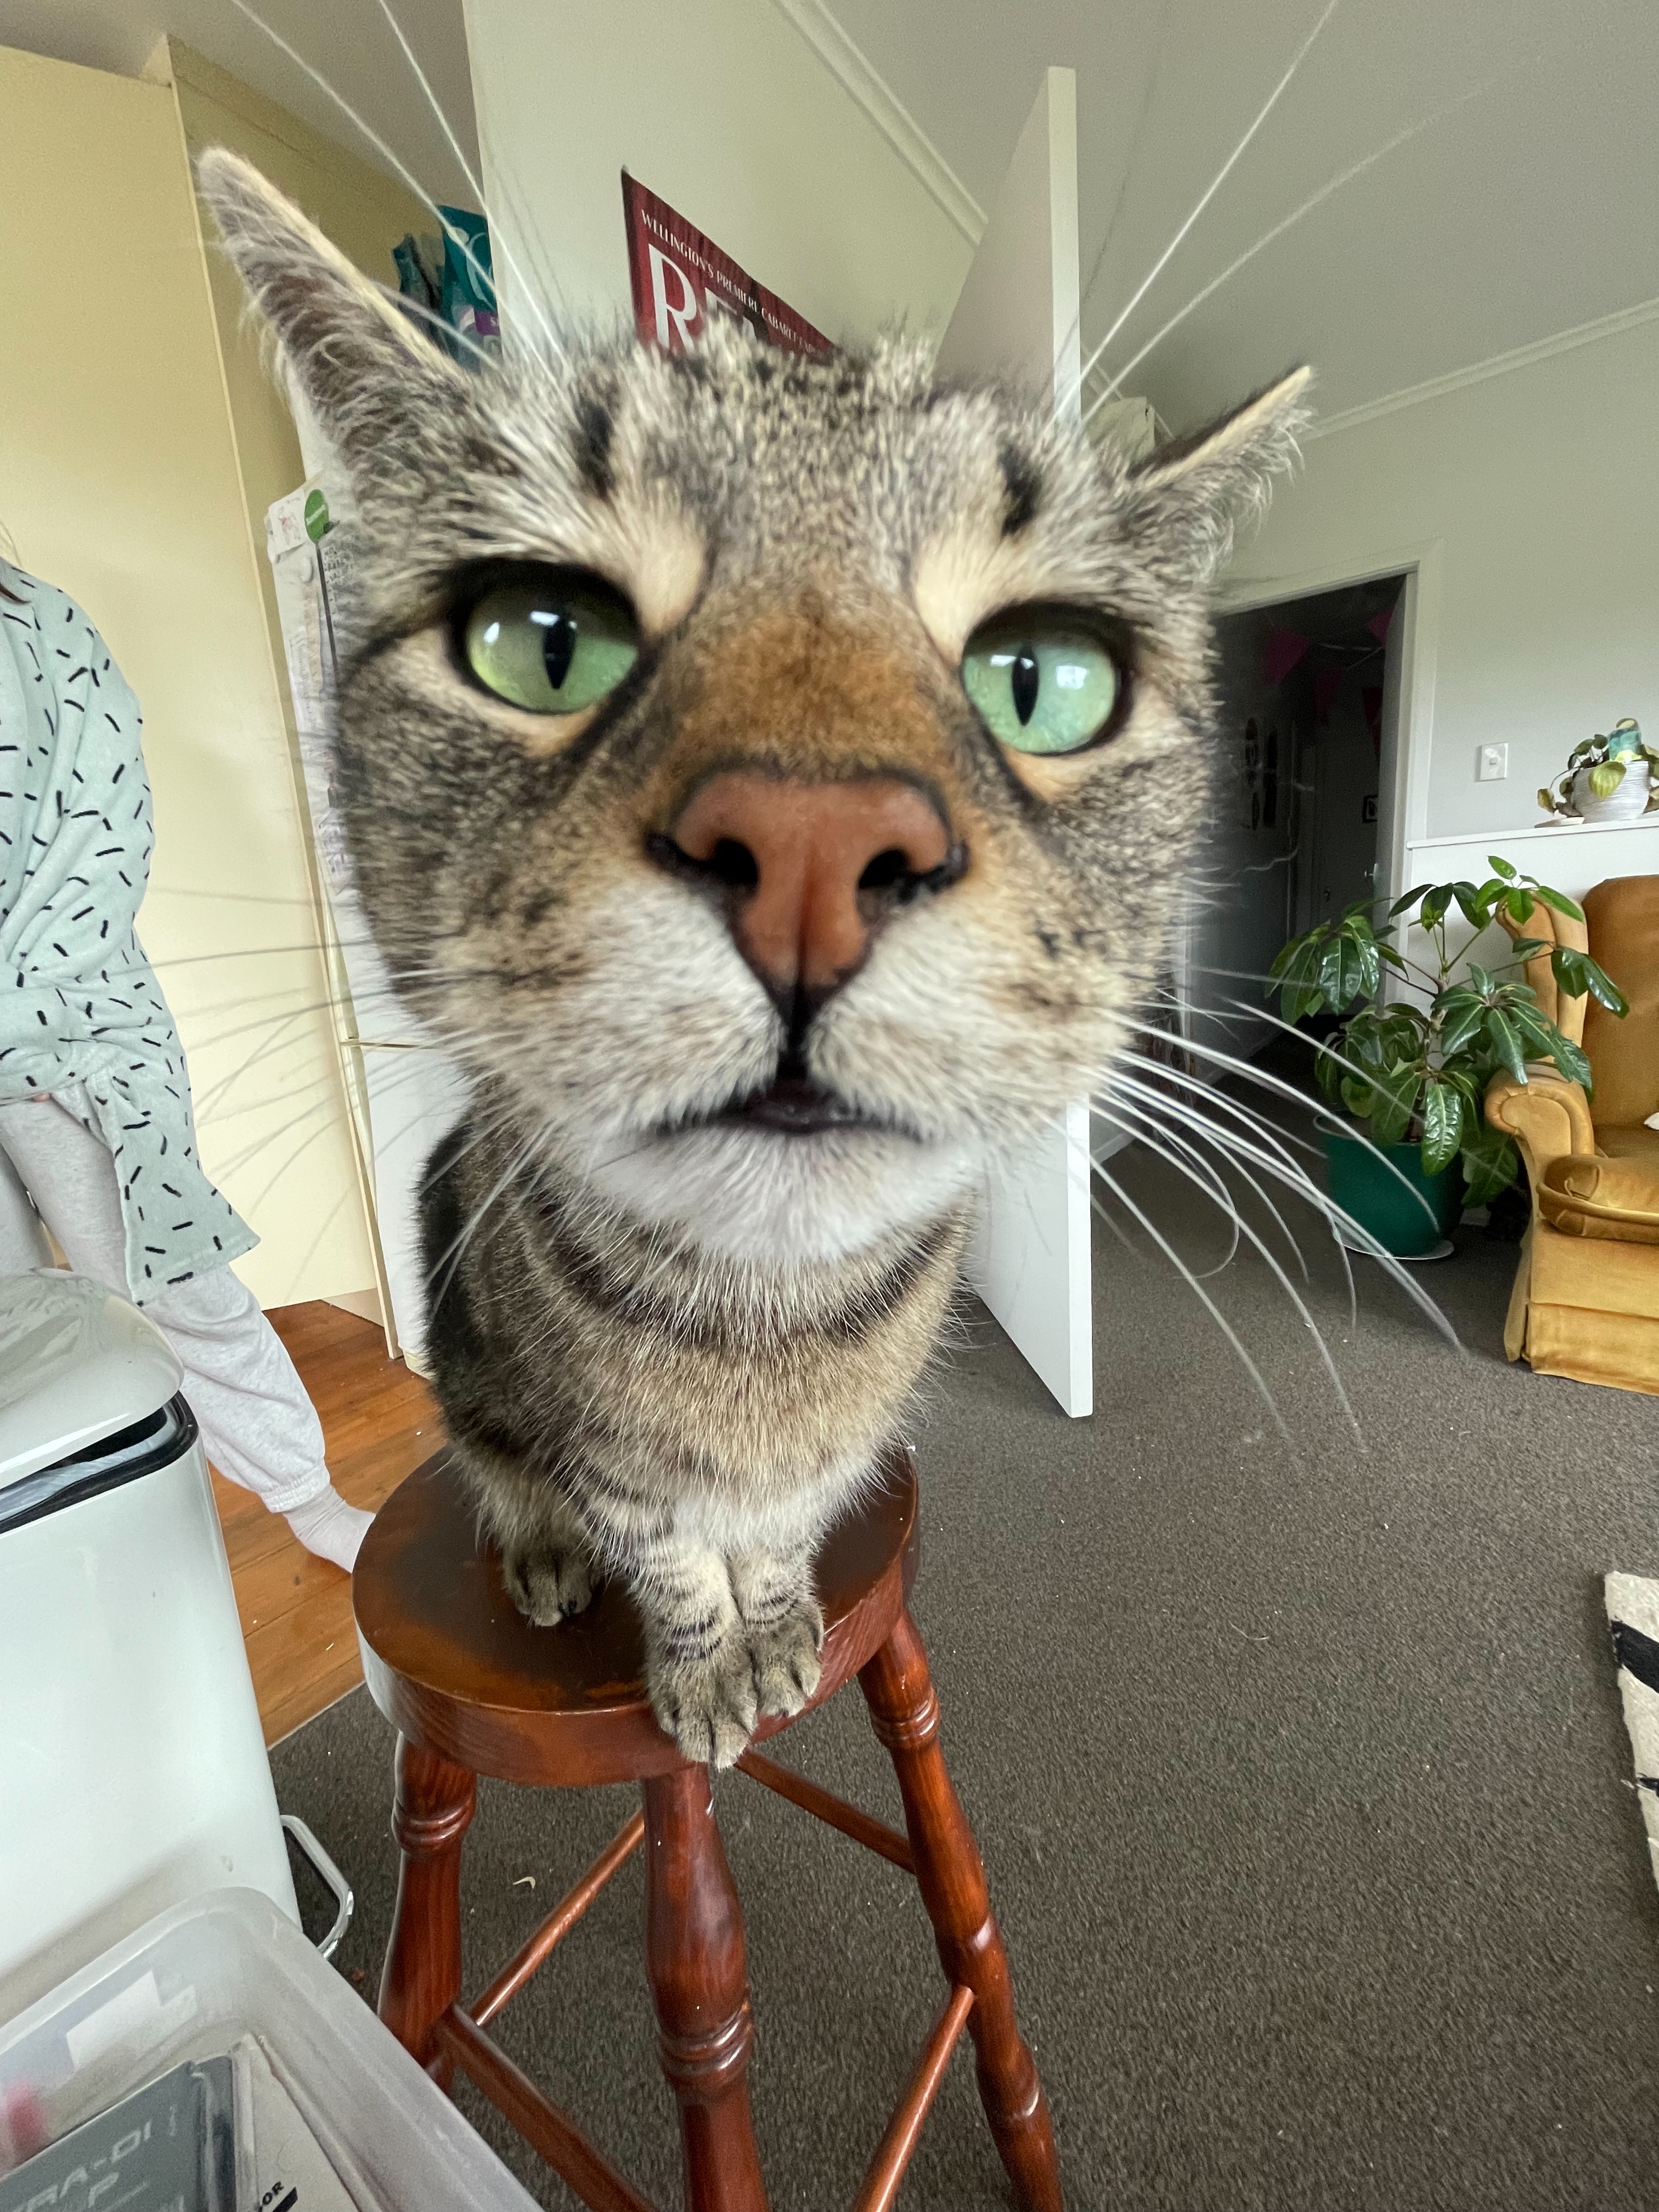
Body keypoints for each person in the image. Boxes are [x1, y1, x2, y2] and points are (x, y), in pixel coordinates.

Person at [0, 554, 370, 1570]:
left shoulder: (37, 622)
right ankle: (67, 1551)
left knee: (174, 1281)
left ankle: (305, 1494)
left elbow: (103, 825)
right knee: (15, 1327)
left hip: (64, 1023)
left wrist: (24, 1010)